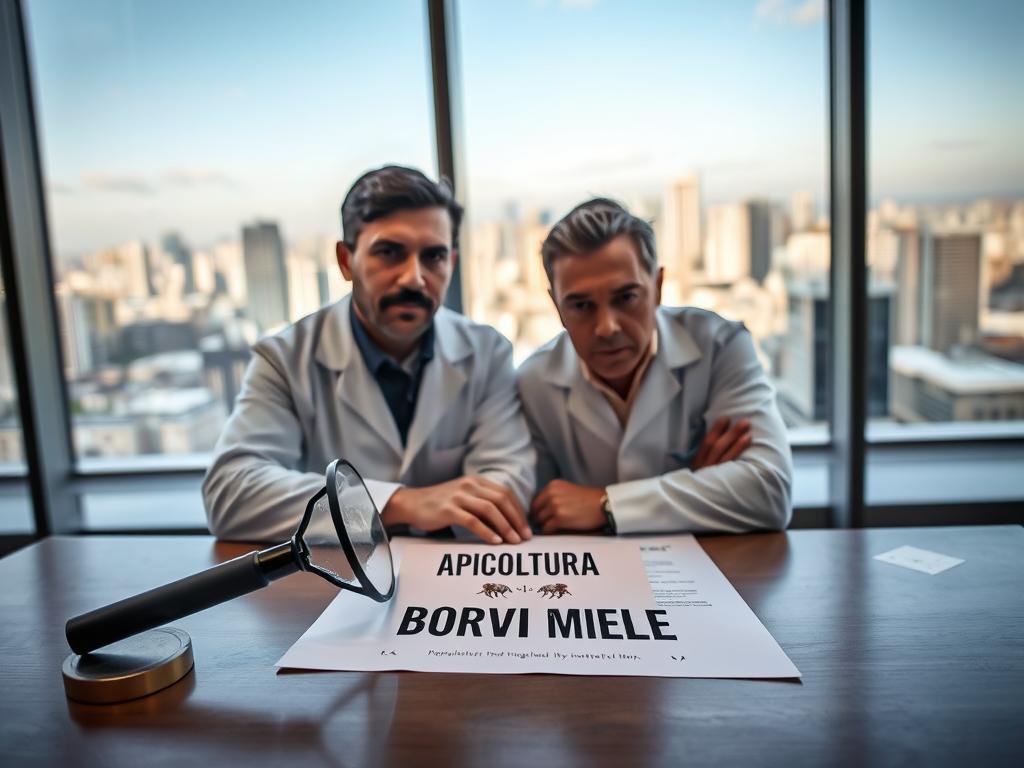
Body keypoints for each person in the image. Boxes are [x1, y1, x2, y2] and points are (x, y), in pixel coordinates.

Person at [203, 166, 534, 545]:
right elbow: (231, 493)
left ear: (452, 264)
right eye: (389, 253)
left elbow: (507, 481)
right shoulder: (284, 358)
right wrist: (400, 504)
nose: (414, 278)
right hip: (334, 584)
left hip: (454, 577)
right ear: (346, 261)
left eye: (434, 257)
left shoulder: (487, 353)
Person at [517, 198, 792, 535]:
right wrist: (697, 484)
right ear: (556, 306)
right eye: (581, 305)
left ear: (658, 286)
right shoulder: (532, 382)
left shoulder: (721, 347)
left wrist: (606, 504)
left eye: (626, 297)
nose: (606, 327)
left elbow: (769, 491)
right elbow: (540, 516)